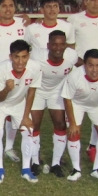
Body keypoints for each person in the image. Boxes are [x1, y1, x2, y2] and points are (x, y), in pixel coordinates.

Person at [61, 49, 98, 182]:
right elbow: (67, 99)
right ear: (84, 65)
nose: (94, 69)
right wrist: (73, 123)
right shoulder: (74, 76)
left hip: (97, 105)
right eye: (90, 65)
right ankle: (76, 169)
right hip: (76, 104)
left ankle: (96, 169)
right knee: (74, 133)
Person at [28, 31, 79, 177]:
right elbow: (21, 60)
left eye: (62, 44)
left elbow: (84, 63)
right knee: (34, 125)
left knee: (60, 124)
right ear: (48, 45)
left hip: (57, 92)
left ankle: (56, 163)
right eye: (54, 44)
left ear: (66, 45)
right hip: (37, 90)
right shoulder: (37, 55)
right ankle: (35, 161)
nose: (58, 47)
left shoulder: (71, 56)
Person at [0, 40, 41, 184]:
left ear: (28, 56)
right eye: (16, 57)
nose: (20, 61)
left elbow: (31, 92)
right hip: (0, 105)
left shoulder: (35, 68)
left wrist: (26, 116)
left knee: (28, 131)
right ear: (10, 56)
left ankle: (26, 169)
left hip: (19, 104)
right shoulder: (1, 69)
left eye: (24, 57)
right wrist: (7, 89)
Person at [0, 0, 28, 164]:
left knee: (13, 113)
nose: (7, 9)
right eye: (4, 5)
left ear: (15, 8)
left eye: (11, 5)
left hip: (19, 75)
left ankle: (9, 147)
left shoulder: (24, 25)